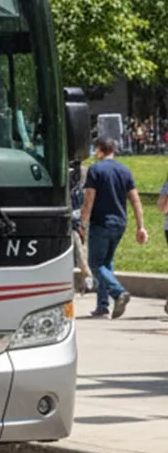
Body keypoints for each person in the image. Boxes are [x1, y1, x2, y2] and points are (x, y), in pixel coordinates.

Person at [79, 136, 148, 318]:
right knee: (106, 263)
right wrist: (141, 226)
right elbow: (135, 200)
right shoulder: (124, 170)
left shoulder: (95, 170)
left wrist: (82, 223)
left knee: (95, 264)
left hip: (101, 222)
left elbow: (89, 200)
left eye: (95, 149)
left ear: (99, 150)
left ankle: (119, 292)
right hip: (120, 223)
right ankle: (102, 305)